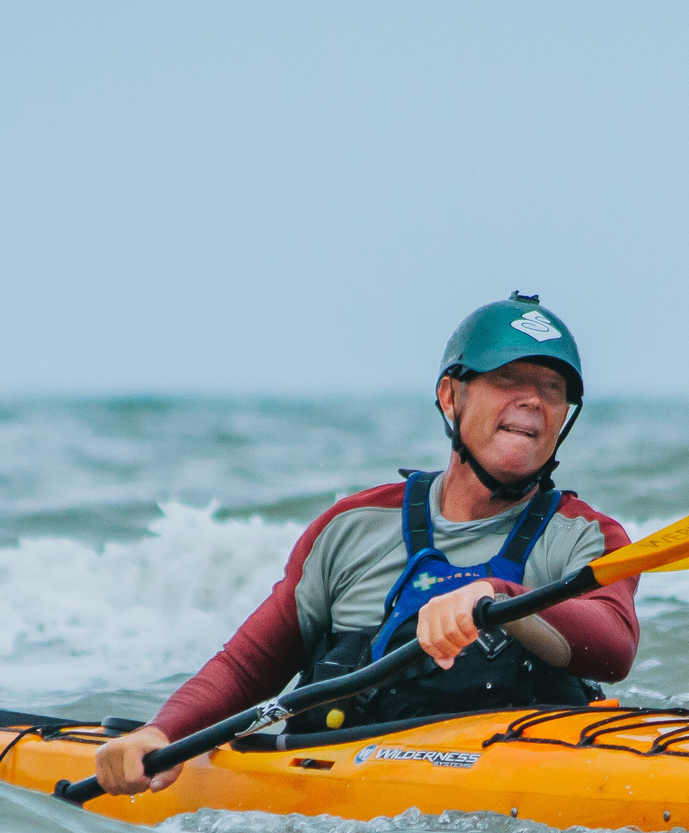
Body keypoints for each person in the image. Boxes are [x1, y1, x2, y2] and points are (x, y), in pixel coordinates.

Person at [95, 294, 638, 795]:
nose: (534, 402)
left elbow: (613, 649)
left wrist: (494, 598)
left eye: (553, 389)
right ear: (451, 395)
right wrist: (162, 733)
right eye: (509, 378)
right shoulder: (353, 527)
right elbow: (248, 666)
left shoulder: (586, 538)